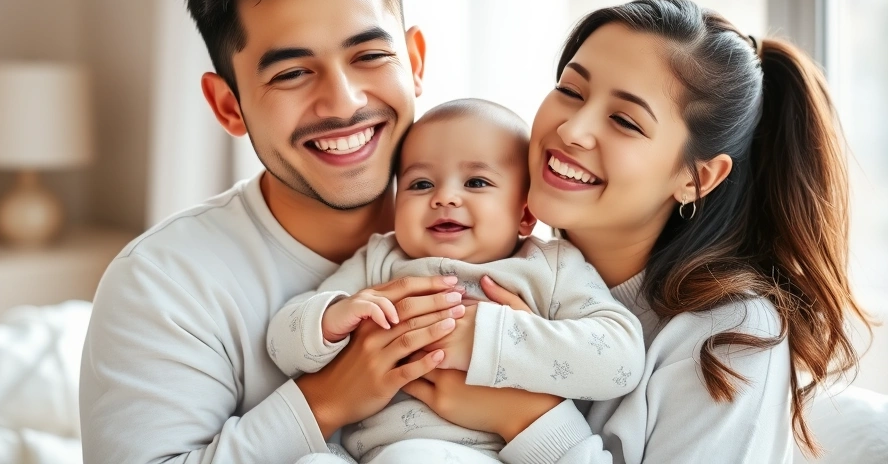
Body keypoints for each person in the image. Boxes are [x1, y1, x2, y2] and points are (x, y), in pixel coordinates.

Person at [397, 0, 872, 463]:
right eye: (570, 91)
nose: (573, 130)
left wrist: (524, 417)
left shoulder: (729, 336)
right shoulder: (494, 263)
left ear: (696, 177)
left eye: (624, 121)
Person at [79, 0, 475, 463]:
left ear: (413, 62)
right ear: (228, 105)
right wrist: (325, 402)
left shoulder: (512, 230)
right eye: (291, 73)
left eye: (370, 55)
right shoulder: (161, 284)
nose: (344, 102)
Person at [268, 99, 644, 463]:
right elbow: (279, 345)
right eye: (419, 184)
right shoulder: (381, 259)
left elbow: (621, 359)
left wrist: (491, 337)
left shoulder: (550, 266)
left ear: (525, 214)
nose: (444, 197)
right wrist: (331, 318)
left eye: (477, 182)